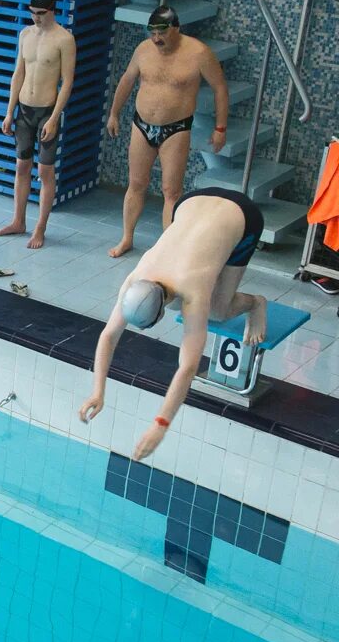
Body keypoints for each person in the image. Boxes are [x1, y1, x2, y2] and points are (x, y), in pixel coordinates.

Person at [79, 188, 267, 460]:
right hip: (191, 202)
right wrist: (98, 391)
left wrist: (160, 425)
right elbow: (108, 336)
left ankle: (256, 303)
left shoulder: (194, 291)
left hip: (244, 216)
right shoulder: (138, 276)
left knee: (218, 310)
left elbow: (188, 366)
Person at [106, 5, 229, 258]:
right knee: (136, 184)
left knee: (171, 191)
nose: (156, 39)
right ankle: (127, 237)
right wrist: (114, 113)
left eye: (161, 33)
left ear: (176, 28)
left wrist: (220, 128)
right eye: (152, 33)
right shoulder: (143, 50)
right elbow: (128, 80)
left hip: (176, 129)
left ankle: (167, 249)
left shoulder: (198, 53)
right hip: (141, 124)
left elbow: (219, 89)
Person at [0, 0, 77, 249]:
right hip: (24, 112)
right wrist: (9, 111)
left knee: (45, 171)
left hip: (46, 113)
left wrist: (54, 118)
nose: (36, 18)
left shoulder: (64, 39)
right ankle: (18, 221)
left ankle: (40, 228)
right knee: (21, 167)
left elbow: (68, 82)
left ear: (52, 10)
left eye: (41, 13)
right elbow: (18, 74)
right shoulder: (25, 34)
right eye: (32, 13)